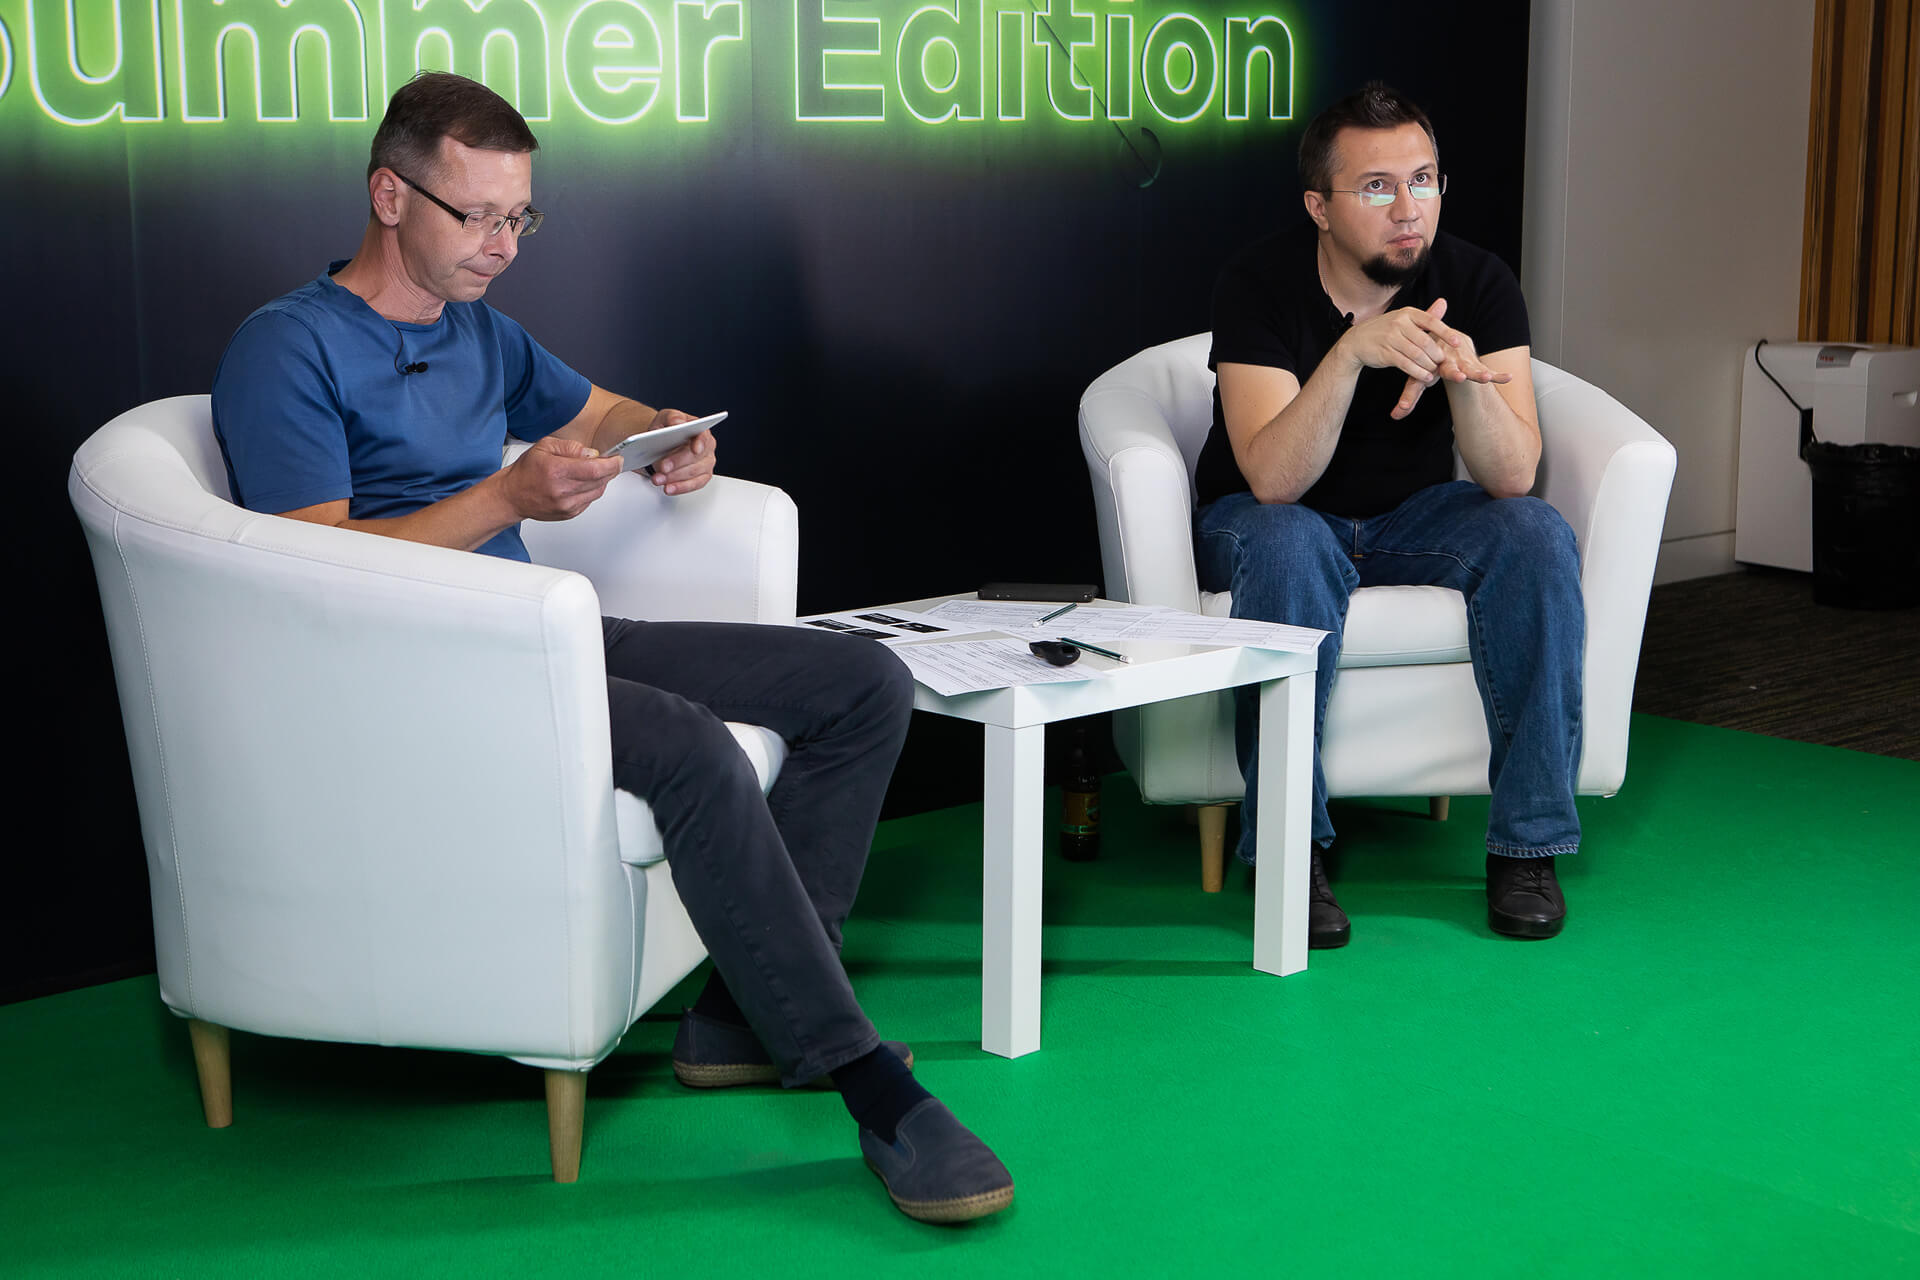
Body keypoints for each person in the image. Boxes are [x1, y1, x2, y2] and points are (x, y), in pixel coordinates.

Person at [209, 71, 1012, 1224]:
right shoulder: (287, 347)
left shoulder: (480, 331)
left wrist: (664, 435)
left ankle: (738, 1015)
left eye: (519, 216)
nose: (502, 246)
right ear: (389, 196)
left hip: (545, 635)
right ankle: (867, 1081)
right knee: (691, 744)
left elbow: (601, 410)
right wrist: (504, 497)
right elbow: (311, 567)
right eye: (477, 216)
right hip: (411, 674)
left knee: (862, 680)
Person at [1193, 82, 1583, 946]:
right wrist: (1348, 355)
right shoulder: (1256, 282)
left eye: (1424, 180)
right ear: (1319, 208)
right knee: (1289, 543)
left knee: (1536, 534)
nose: (1409, 209)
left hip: (1411, 518)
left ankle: (1527, 847)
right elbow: (1272, 480)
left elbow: (1513, 475)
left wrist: (1463, 377)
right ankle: (1288, 851)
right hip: (1265, 520)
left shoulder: (1477, 280)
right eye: (1377, 187)